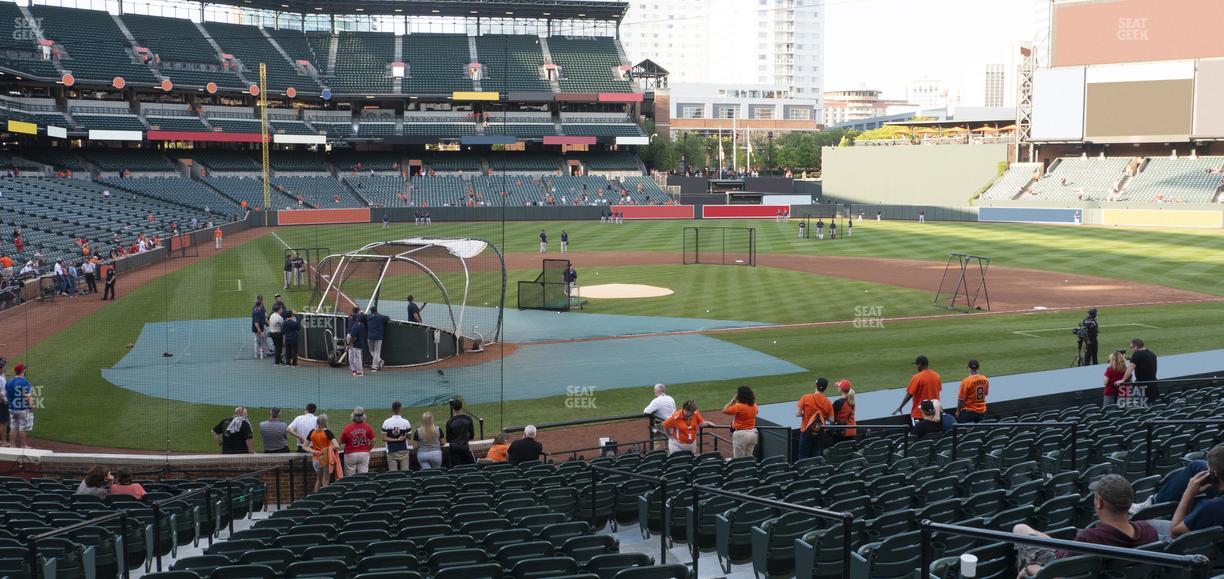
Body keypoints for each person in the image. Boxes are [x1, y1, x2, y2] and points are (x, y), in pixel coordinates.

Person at [1014, 474, 1157, 577]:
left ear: (1099, 502)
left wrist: (1031, 569)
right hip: (1083, 561)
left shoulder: (1091, 540)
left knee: (1020, 529)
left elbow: (1058, 575)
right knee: (1040, 536)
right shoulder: (1148, 531)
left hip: (1054, 566)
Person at [1129, 445, 1224, 540]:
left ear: (1213, 474)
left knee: (1143, 525)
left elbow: (1174, 533)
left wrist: (1189, 493)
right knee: (1197, 465)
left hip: (1190, 549)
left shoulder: (1209, 507)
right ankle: (1152, 502)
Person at [895, 355, 942, 423]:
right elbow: (938, 390)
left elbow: (909, 395)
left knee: (918, 432)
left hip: (919, 414)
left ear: (920, 365)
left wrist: (900, 407)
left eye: (917, 365)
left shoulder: (917, 377)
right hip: (934, 413)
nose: (916, 367)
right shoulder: (937, 376)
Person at [796, 378, 834, 459]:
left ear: (815, 386)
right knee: (816, 455)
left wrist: (805, 414)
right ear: (825, 388)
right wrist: (822, 416)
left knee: (803, 455)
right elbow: (832, 420)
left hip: (806, 430)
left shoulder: (805, 397)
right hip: (819, 432)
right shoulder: (827, 402)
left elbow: (798, 414)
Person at [1118, 339, 1158, 405]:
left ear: (1136, 346)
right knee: (1149, 407)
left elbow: (1130, 368)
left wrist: (1123, 380)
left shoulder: (1137, 354)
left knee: (1142, 407)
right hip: (1153, 385)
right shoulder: (1152, 354)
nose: (1132, 350)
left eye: (1132, 347)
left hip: (1142, 386)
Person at [722, 386, 758, 458]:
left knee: (739, 460)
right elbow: (756, 412)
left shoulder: (739, 406)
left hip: (741, 435)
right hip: (753, 434)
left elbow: (724, 410)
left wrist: (733, 400)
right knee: (749, 457)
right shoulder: (754, 405)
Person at [340, 407, 375, 476]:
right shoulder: (368, 427)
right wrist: (368, 449)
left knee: (350, 477)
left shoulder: (348, 428)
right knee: (363, 477)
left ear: (353, 416)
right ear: (363, 416)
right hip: (364, 454)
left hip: (350, 454)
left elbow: (341, 441)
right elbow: (373, 440)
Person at [5, 364, 33, 448]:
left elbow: (7, 395)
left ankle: (12, 445)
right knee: (22, 428)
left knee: (13, 427)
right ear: (23, 371)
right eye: (24, 369)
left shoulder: (9, 381)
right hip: (22, 409)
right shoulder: (24, 382)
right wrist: (31, 406)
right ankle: (23, 446)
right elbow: (28, 396)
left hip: (12, 408)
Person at [309, 414, 339, 490]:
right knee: (325, 481)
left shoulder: (312, 431)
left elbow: (304, 446)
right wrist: (327, 449)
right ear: (325, 422)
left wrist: (314, 451)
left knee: (318, 480)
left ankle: (315, 499)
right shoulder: (327, 432)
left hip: (315, 459)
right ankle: (324, 499)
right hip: (325, 459)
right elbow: (336, 445)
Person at [643, 384, 676, 451]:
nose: (654, 391)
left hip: (662, 425)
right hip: (673, 424)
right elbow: (674, 411)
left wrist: (655, 412)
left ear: (658, 391)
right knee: (670, 441)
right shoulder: (670, 398)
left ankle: (656, 455)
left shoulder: (656, 401)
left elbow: (646, 411)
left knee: (656, 438)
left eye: (654, 390)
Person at [382, 401, 412, 471]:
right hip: (403, 450)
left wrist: (396, 439)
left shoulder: (386, 422)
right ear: (400, 409)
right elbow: (409, 437)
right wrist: (400, 439)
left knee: (393, 474)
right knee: (405, 473)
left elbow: (384, 438)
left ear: (392, 409)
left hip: (391, 451)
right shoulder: (406, 422)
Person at [445, 398, 476, 465]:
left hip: (454, 449)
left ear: (452, 408)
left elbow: (448, 439)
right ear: (461, 407)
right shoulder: (468, 419)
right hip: (465, 447)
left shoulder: (450, 422)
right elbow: (472, 435)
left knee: (456, 468)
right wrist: (465, 439)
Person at [366, 307, 388, 372]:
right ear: (376, 311)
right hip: (378, 337)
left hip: (370, 337)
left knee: (371, 351)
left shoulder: (368, 317)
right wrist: (379, 314)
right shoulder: (380, 317)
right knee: (377, 352)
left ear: (371, 311)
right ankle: (375, 366)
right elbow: (387, 318)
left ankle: (379, 362)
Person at [0, 357, 8, 447]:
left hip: (2, 401)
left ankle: (3, 441)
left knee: (4, 422)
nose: (4, 368)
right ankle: (2, 442)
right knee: (3, 422)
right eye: (3, 366)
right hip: (2, 402)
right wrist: (4, 400)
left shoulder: (2, 376)